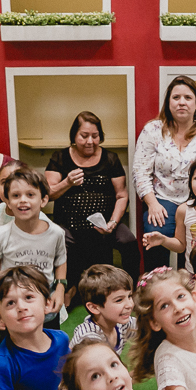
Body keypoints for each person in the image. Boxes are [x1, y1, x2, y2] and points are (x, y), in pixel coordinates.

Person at [134, 76, 196, 271]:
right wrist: (152, 204)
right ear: (168, 102)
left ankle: (195, 279)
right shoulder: (152, 130)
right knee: (155, 231)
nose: (181, 102)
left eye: (188, 98)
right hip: (163, 199)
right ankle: (157, 282)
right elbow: (140, 172)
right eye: (176, 97)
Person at [45, 111, 140, 295]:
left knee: (128, 241)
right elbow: (48, 193)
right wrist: (67, 182)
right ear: (74, 136)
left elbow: (122, 195)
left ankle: (131, 290)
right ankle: (65, 290)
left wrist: (112, 223)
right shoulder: (60, 157)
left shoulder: (110, 158)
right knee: (60, 241)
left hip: (105, 224)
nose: (90, 141)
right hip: (69, 225)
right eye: (84, 136)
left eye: (95, 136)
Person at [0, 166, 68, 329]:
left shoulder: (56, 233)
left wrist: (60, 288)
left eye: (30, 195)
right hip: (12, 305)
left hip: (46, 304)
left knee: (49, 343)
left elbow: (60, 261)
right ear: (8, 201)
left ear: (43, 200)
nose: (23, 200)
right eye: (16, 195)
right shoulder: (0, 235)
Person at [71, 264, 137, 355]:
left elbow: (145, 326)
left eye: (129, 296)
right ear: (94, 307)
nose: (130, 305)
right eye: (119, 300)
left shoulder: (121, 324)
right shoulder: (88, 339)